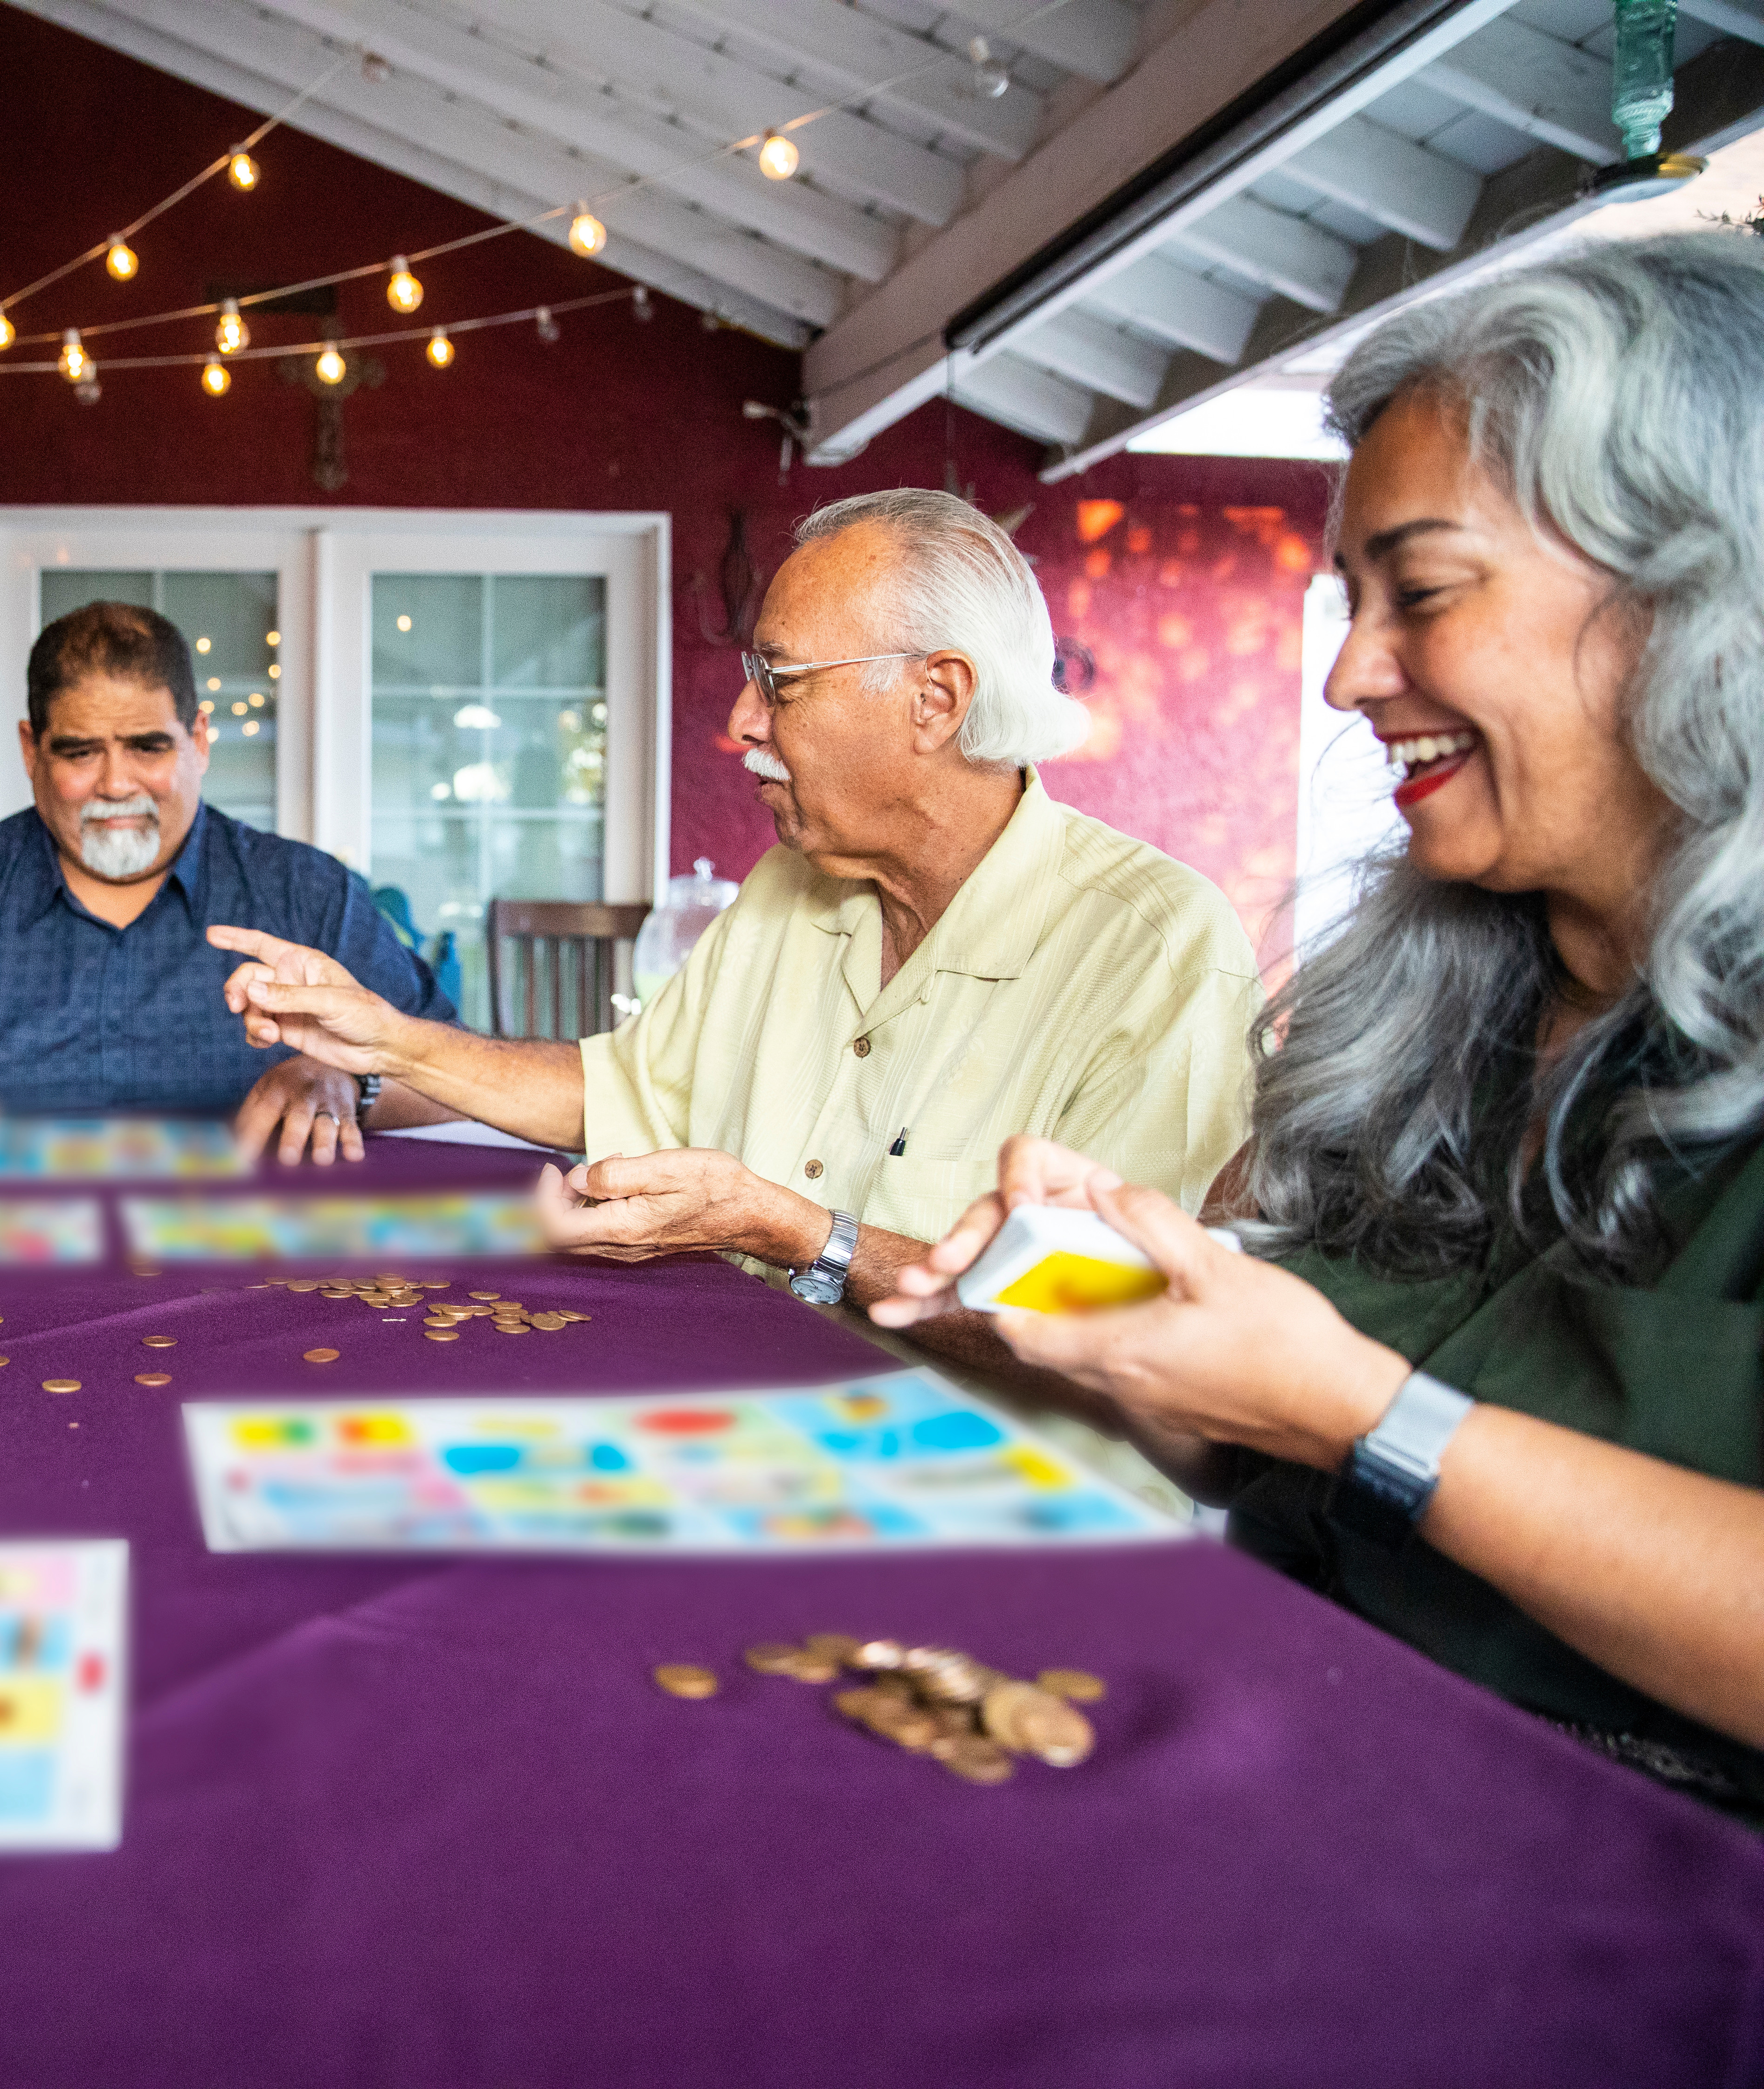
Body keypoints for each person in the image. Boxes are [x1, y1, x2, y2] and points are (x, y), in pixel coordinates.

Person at [874, 233, 1764, 1819]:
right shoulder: (1401, 1012)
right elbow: (1265, 1454)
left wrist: (1372, 1416)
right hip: (1275, 1779)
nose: (1353, 671)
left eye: (1419, 591)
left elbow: (1358, 1423)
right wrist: (1116, 1317)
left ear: (1700, 598)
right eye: (1349, 599)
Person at [216, 490, 1262, 1310]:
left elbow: (1115, 1307)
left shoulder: (1161, 946)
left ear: (935, 700)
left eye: (783, 679)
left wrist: (803, 1235)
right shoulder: (790, 884)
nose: (742, 719)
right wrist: (385, 1039)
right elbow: (622, 1090)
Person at [0, 599, 459, 1162]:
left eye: (148, 747)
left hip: (264, 1267)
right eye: (80, 752)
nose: (117, 783)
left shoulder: (310, 895)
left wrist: (353, 1081)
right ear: (30, 751)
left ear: (200, 741)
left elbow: (458, 1080)